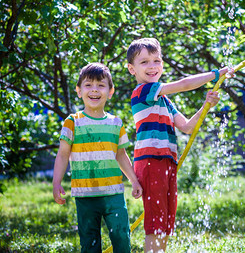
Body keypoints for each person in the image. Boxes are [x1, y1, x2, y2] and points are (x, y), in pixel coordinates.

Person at [127, 38, 233, 252]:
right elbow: (184, 85)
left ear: (162, 65)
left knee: (165, 220)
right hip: (150, 162)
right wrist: (215, 75)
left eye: (156, 60)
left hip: (167, 163)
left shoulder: (164, 101)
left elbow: (187, 126)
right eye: (144, 62)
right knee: (156, 222)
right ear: (132, 69)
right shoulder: (142, 92)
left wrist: (206, 105)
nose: (152, 66)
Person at [52, 62, 143, 253]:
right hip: (85, 195)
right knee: (89, 241)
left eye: (101, 85)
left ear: (110, 91)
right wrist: (56, 182)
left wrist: (134, 180)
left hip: (113, 193)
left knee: (121, 235)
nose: (94, 90)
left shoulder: (116, 123)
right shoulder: (72, 122)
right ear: (78, 90)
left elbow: (121, 154)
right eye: (88, 85)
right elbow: (62, 154)